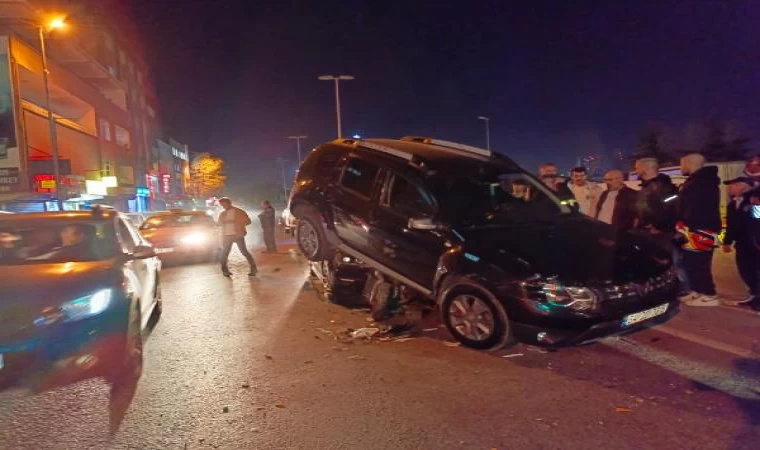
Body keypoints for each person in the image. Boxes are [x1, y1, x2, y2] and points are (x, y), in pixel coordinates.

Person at [675, 153, 721, 306]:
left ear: (689, 164)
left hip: (701, 230)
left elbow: (697, 209)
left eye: (682, 164)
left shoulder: (704, 182)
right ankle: (697, 290)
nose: (681, 168)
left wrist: (689, 224)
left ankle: (709, 294)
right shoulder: (694, 181)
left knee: (700, 264)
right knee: (691, 262)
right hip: (691, 229)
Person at [722, 177, 759, 308]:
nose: (728, 189)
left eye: (732, 186)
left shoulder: (755, 200)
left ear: (742, 186)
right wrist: (727, 241)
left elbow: (758, 220)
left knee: (756, 270)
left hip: (755, 243)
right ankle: (754, 294)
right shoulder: (732, 204)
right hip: (741, 243)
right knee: (745, 270)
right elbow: (731, 225)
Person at [217, 197, 257, 277]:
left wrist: (236, 222)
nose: (223, 206)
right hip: (226, 236)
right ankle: (225, 271)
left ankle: (253, 269)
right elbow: (219, 223)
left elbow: (248, 221)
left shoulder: (239, 212)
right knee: (224, 253)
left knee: (244, 252)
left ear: (229, 203)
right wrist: (222, 223)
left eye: (224, 204)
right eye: (222, 205)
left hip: (238, 235)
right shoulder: (222, 214)